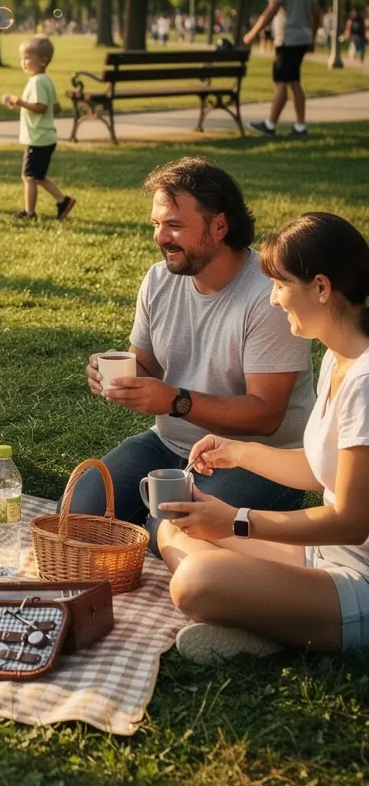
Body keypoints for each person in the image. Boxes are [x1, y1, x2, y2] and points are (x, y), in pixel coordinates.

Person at [158, 213, 369, 664]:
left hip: (359, 581)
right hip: (322, 557)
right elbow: (320, 469)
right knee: (173, 529)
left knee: (196, 582)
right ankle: (271, 618)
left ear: (322, 288)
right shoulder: (338, 358)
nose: (273, 300)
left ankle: (272, 619)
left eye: (280, 285)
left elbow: (352, 521)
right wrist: (239, 451)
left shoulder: (365, 381)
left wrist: (236, 520)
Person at [67, 157, 315, 537]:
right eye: (157, 224)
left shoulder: (269, 296)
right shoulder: (158, 280)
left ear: (219, 226)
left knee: (170, 533)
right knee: (77, 515)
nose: (160, 237)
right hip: (168, 444)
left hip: (258, 459)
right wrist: (117, 374)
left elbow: (266, 416)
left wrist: (174, 401)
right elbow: (147, 365)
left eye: (175, 226)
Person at [244, 0, 321, 139]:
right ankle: (300, 127)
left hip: (288, 39)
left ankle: (270, 125)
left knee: (280, 81)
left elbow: (271, 10)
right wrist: (312, 37)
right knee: (294, 81)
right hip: (302, 37)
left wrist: (253, 33)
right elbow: (316, 12)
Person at [1, 35, 75, 223]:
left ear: (43, 60)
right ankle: (63, 201)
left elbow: (41, 107)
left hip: (38, 138)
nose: (23, 62)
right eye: (22, 58)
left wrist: (20, 102)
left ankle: (30, 212)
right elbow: (56, 107)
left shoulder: (38, 82)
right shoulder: (45, 80)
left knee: (28, 177)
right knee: (38, 176)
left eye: (28, 58)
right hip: (44, 137)